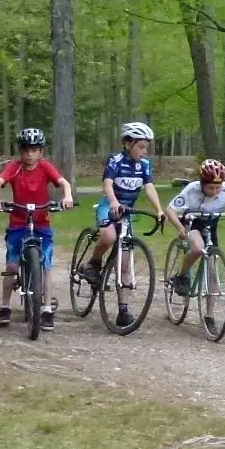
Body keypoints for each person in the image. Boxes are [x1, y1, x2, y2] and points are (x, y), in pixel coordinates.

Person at [0, 128, 74, 330]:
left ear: (41, 151)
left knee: (46, 266)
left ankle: (46, 309)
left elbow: (63, 182)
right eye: (26, 149)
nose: (29, 154)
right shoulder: (15, 167)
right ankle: (5, 306)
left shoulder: (45, 167)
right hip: (18, 222)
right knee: (11, 266)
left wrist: (67, 196)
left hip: (41, 222)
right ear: (20, 151)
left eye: (34, 150)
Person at [82, 122, 166, 327]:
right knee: (109, 237)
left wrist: (159, 209)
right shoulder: (116, 160)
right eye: (141, 147)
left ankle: (123, 310)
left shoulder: (144, 165)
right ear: (128, 144)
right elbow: (108, 183)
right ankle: (93, 263)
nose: (144, 151)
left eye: (147, 147)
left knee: (126, 263)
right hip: (109, 207)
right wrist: (112, 202)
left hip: (127, 212)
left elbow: (149, 187)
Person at [164, 159, 225, 333]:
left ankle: (209, 315)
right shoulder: (191, 189)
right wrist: (180, 228)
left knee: (212, 272)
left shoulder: (224, 189)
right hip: (192, 222)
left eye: (218, 188)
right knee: (197, 248)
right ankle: (182, 275)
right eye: (210, 188)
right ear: (201, 184)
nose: (215, 191)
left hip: (211, 224)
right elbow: (170, 210)